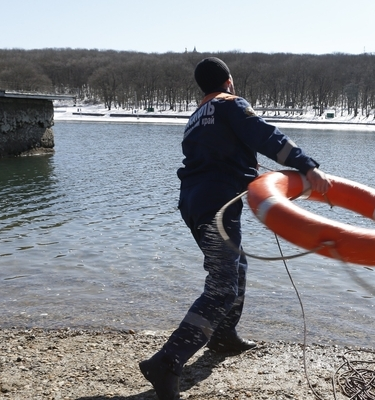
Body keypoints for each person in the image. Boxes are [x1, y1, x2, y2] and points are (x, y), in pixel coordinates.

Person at [139, 57, 332, 400]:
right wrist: (306, 165)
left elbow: (217, 156)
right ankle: (167, 362)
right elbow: (266, 136)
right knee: (222, 287)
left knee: (235, 268)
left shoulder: (196, 116)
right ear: (228, 80)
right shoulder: (231, 104)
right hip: (217, 206)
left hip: (194, 203)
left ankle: (224, 335)